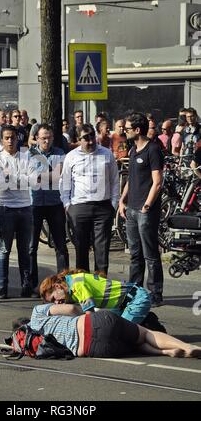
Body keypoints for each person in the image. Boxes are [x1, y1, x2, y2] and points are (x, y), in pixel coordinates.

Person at [30, 303, 201, 359]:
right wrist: (82, 313)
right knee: (144, 334)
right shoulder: (36, 313)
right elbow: (71, 309)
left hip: (93, 349)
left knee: (135, 346)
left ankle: (168, 352)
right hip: (95, 322)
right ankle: (186, 346)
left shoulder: (33, 345)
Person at [60, 124, 119, 276]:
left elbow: (114, 181)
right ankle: (84, 288)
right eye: (86, 138)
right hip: (79, 207)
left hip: (103, 207)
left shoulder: (106, 154)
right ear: (78, 140)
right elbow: (64, 182)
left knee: (102, 249)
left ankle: (101, 287)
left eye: (92, 136)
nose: (91, 141)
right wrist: (67, 205)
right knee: (81, 249)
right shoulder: (71, 157)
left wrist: (113, 204)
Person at [119, 112, 164, 307]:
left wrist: (147, 206)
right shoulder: (133, 150)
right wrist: (122, 200)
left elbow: (158, 182)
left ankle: (155, 293)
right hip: (131, 209)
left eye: (127, 129)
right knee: (135, 254)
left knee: (150, 254)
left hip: (145, 211)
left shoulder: (152, 150)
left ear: (137, 130)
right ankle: (134, 291)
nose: (124, 131)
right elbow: (131, 178)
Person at [0, 125, 32, 299]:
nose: (10, 141)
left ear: (17, 139)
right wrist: (18, 179)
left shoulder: (27, 156)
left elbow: (32, 180)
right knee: (4, 249)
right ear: (2, 140)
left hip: (25, 207)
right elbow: (0, 183)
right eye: (7, 138)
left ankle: (26, 286)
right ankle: (3, 287)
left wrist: (11, 178)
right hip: (5, 208)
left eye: (13, 137)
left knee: (24, 250)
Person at [28, 124, 69, 293]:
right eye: (43, 137)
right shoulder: (28, 155)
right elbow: (31, 179)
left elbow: (61, 176)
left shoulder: (60, 154)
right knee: (31, 247)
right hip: (34, 204)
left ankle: (62, 283)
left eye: (49, 137)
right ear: (36, 138)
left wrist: (41, 176)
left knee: (61, 246)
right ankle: (31, 284)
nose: (46, 140)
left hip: (55, 203)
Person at [39, 269, 151, 324]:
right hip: (124, 304)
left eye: (54, 298)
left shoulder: (76, 285)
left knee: (121, 334)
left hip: (136, 299)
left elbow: (90, 316)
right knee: (110, 326)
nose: (57, 303)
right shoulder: (70, 286)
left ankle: (150, 328)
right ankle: (145, 323)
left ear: (57, 286)